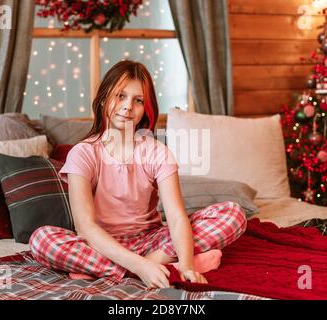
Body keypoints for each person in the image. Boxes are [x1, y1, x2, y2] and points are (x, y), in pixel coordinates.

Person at [29, 60, 247, 289]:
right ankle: (151, 269)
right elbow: (85, 227)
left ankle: (118, 269)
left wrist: (186, 265)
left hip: (152, 241)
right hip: (101, 244)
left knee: (233, 213)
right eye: (120, 96)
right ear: (104, 98)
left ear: (146, 108)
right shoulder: (83, 154)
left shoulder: (156, 152)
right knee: (41, 239)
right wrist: (140, 266)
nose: (128, 107)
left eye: (138, 100)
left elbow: (175, 217)